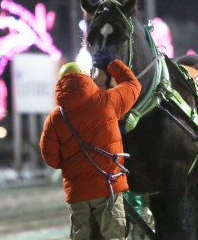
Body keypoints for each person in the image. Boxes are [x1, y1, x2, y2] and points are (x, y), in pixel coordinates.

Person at [39, 48, 141, 240]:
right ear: (85, 77)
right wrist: (114, 65)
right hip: (108, 187)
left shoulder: (55, 118)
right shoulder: (107, 101)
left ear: (60, 83)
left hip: (78, 192)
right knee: (114, 235)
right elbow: (133, 86)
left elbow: (51, 159)